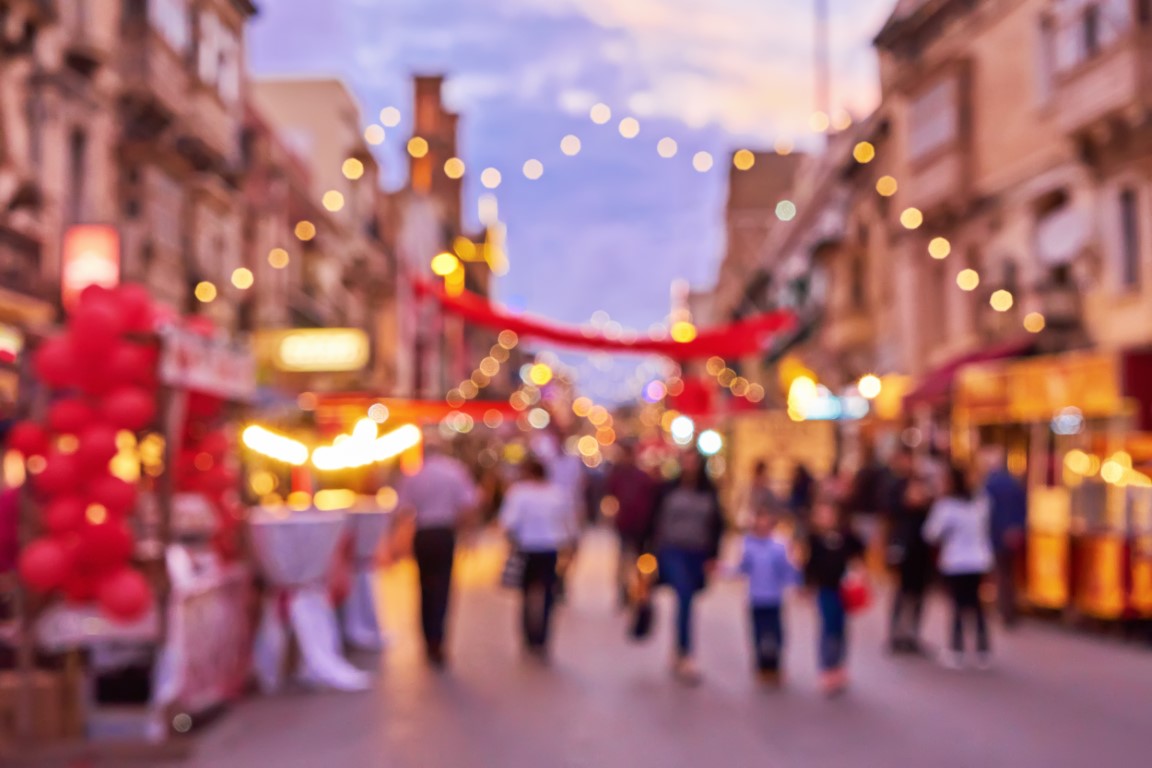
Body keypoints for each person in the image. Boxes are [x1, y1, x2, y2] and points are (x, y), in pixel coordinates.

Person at [396, 432, 478, 668]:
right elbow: (467, 505)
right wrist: (467, 533)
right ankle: (437, 639)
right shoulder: (454, 471)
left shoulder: (414, 474)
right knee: (442, 587)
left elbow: (402, 509)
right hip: (443, 534)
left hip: (423, 534)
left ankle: (428, 638)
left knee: (424, 586)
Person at [648, 449, 724, 685]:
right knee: (684, 596)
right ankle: (685, 651)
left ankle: (680, 649)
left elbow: (718, 524)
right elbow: (654, 518)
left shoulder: (709, 492)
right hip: (672, 549)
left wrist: (713, 555)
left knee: (688, 597)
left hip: (697, 552)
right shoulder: (668, 489)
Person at [499, 456, 579, 658]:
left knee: (526, 593)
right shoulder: (557, 493)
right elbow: (569, 521)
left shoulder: (519, 493)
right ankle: (542, 636)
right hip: (550, 548)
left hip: (527, 547)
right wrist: (571, 544)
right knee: (547, 594)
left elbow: (508, 522)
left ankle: (528, 635)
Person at [924, 464, 995, 670]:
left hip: (955, 561)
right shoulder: (981, 502)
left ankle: (957, 649)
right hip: (979, 559)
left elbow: (931, 533)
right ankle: (983, 649)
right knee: (976, 604)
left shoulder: (946, 506)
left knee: (957, 604)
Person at [803, 494, 864, 696]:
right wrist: (806, 585)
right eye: (820, 514)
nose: (824, 518)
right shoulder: (814, 539)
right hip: (825, 589)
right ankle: (827, 667)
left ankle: (839, 666)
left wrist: (858, 570)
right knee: (827, 628)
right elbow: (810, 565)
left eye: (828, 514)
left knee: (841, 628)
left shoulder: (845, 537)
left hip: (843, 589)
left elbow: (860, 549)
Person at [738, 506, 801, 686]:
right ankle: (761, 666)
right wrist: (722, 569)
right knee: (758, 634)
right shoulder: (748, 544)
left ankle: (775, 666)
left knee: (776, 634)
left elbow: (787, 570)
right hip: (756, 598)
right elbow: (742, 567)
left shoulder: (779, 546)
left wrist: (798, 582)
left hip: (774, 597)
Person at [884, 449, 935, 654]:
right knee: (902, 591)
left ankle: (913, 633)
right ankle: (896, 633)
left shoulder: (925, 485)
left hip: (922, 548)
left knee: (919, 592)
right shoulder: (895, 485)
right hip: (904, 545)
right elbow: (888, 511)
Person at [605, 443, 657, 607]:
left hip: (641, 525)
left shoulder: (642, 477)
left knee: (639, 561)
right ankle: (624, 590)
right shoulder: (618, 475)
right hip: (625, 524)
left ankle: (638, 590)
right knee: (625, 559)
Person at [983, 447, 1027, 627]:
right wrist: (1017, 528)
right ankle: (1010, 609)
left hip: (997, 535)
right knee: (1010, 574)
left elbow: (987, 512)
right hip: (1013, 533)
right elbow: (1023, 506)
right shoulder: (1014, 482)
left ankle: (1004, 610)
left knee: (1001, 574)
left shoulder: (989, 484)